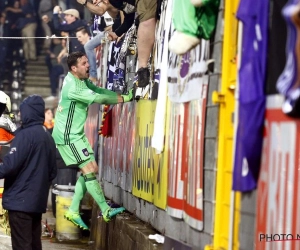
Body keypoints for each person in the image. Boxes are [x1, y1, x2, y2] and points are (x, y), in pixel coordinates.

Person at [52, 51, 133, 230]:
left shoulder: (80, 80)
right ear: (74, 68)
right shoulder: (74, 87)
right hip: (68, 136)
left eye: (87, 62)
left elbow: (99, 91)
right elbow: (99, 98)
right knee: (89, 169)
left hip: (76, 134)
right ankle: (104, 209)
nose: (88, 65)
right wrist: (125, 98)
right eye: (83, 63)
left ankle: (73, 210)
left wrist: (119, 95)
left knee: (91, 169)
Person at [0, 95, 57, 250]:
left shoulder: (24, 136)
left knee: (22, 244)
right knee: (33, 243)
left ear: (28, 113)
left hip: (20, 202)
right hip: (36, 202)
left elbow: (9, 166)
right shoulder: (47, 137)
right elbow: (53, 171)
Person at [87, 0, 156, 88]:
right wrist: (117, 33)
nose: (94, 3)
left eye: (96, 1)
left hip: (138, 21)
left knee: (146, 20)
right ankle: (141, 70)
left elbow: (101, 11)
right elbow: (128, 16)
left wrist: (85, 3)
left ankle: (142, 68)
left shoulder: (112, 5)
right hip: (125, 26)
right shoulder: (118, 6)